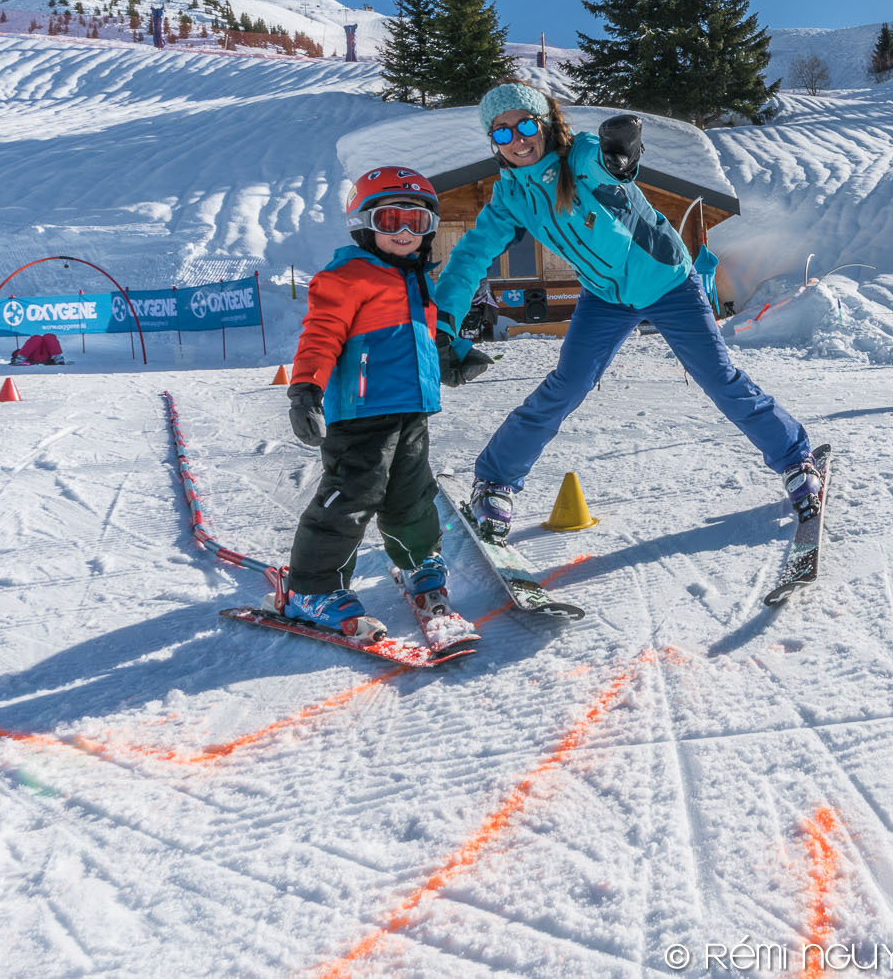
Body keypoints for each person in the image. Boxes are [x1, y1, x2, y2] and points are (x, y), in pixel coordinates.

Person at [433, 81, 819, 538]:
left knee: (718, 376)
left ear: (545, 123)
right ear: (492, 141)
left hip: (669, 283)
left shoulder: (580, 157)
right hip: (605, 297)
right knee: (568, 384)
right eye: (501, 133)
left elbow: (605, 165)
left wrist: (620, 154)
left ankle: (796, 459)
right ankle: (495, 480)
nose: (517, 140)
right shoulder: (511, 197)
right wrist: (443, 320)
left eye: (525, 125)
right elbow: (470, 256)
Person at [277, 165, 487, 639]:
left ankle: (418, 561)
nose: (407, 233)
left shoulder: (415, 279)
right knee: (352, 496)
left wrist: (448, 360)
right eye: (393, 221)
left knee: (411, 492)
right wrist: (306, 388)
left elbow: (422, 338)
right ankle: (312, 586)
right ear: (364, 223)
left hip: (411, 408)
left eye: (419, 223)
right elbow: (320, 334)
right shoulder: (347, 276)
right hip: (362, 413)